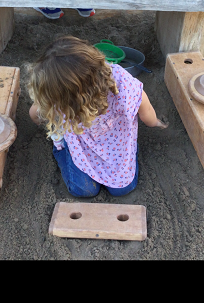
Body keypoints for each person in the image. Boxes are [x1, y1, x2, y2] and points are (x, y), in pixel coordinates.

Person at [27, 35, 168, 197]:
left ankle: (62, 142)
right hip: (82, 147)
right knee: (84, 190)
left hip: (115, 146)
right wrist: (155, 122)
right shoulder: (114, 79)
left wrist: (38, 121)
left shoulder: (120, 81)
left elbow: (35, 113)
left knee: (122, 189)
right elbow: (146, 111)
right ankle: (61, 148)